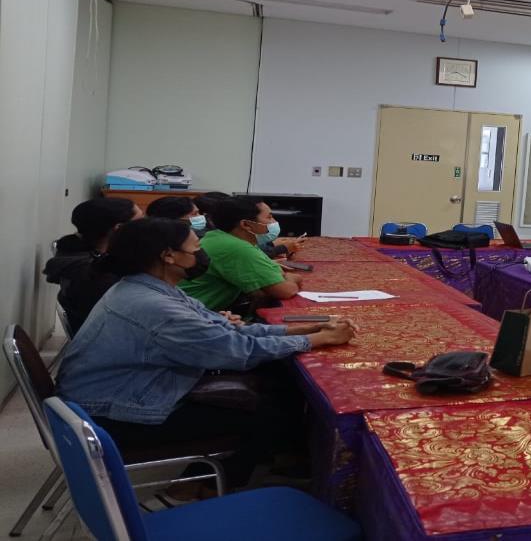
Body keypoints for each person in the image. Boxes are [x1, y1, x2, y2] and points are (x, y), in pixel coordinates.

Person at [56, 218, 354, 487]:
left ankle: (274, 460)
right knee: (267, 412)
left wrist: (306, 330)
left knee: (277, 377)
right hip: (115, 414)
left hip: (120, 389)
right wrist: (316, 340)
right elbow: (238, 350)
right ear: (169, 256)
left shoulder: (149, 287)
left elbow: (228, 331)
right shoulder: (157, 306)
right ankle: (202, 486)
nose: (201, 255)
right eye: (195, 249)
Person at [180, 196, 302, 312]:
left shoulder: (222, 237)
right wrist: (292, 278)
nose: (274, 222)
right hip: (190, 315)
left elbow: (275, 272)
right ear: (246, 225)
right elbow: (285, 291)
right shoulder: (234, 247)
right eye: (269, 218)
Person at [43, 198, 143, 336]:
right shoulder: (95, 274)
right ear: (119, 228)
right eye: (141, 222)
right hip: (109, 338)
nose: (146, 227)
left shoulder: (77, 254)